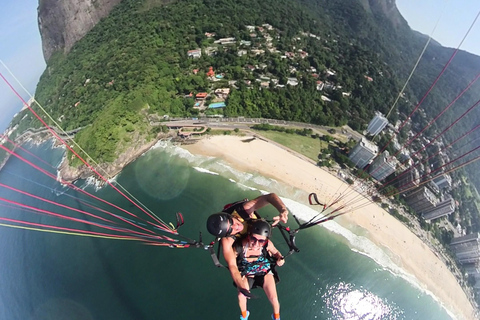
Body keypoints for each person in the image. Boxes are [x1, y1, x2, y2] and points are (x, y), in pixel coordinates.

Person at [206, 193, 288, 294]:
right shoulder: (227, 240)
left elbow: (269, 197)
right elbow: (232, 266)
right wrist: (241, 287)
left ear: (230, 216)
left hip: (253, 228)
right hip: (248, 243)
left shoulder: (242, 211)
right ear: (227, 234)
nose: (236, 227)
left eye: (232, 222)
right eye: (231, 230)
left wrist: (282, 210)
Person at [234, 219, 284, 320]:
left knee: (274, 299)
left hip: (264, 271)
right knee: (241, 295)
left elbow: (277, 253)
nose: (256, 244)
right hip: (248, 273)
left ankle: (276, 318)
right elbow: (232, 263)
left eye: (261, 241)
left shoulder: (267, 244)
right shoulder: (240, 247)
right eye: (253, 239)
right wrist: (239, 276)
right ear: (248, 236)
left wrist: (280, 260)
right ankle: (244, 316)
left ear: (265, 240)